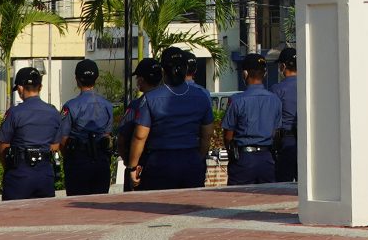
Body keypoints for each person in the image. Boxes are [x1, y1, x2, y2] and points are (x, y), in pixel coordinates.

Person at [126, 47, 215, 191]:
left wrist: (132, 167)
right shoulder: (201, 96)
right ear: (186, 69)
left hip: (160, 162)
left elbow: (140, 136)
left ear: (162, 70)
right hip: (191, 160)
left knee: (159, 209)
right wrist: (198, 156)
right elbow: (207, 133)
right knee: (192, 209)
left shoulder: (151, 98)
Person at [0, 67, 65, 201]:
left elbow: (2, 148)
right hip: (45, 173)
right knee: (43, 218)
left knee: (14, 217)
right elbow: (55, 146)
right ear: (40, 87)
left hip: (19, 173)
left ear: (21, 88)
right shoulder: (53, 112)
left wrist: (10, 169)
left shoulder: (15, 112)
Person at [220, 54, 282, 187]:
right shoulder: (275, 100)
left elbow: (228, 136)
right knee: (266, 201)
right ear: (264, 74)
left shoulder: (237, 100)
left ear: (245, 73)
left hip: (243, 159)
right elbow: (274, 132)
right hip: (267, 159)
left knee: (237, 200)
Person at [60, 58, 114, 197]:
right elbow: (107, 135)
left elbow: (63, 140)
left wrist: (69, 159)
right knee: (99, 207)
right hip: (101, 161)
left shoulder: (71, 106)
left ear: (76, 79)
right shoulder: (107, 105)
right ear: (97, 78)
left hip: (78, 162)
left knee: (77, 207)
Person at [114, 58, 160, 192]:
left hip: (140, 164)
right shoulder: (169, 101)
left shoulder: (137, 105)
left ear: (141, 79)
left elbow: (121, 140)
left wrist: (129, 165)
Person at [271, 46, 299, 183]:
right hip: (307, 140)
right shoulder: (309, 86)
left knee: (283, 183)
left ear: (283, 66)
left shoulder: (277, 89)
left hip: (285, 140)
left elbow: (272, 118)